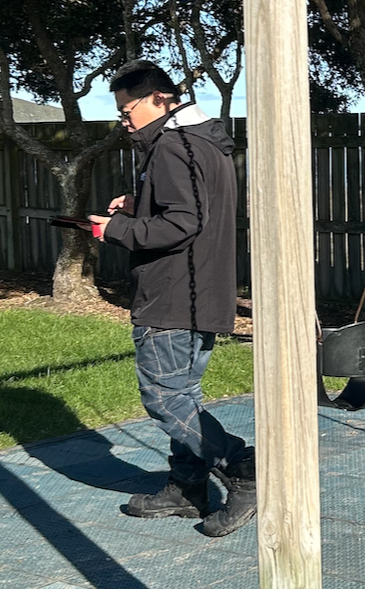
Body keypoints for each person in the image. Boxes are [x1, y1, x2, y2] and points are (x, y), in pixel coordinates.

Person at [89, 60, 255, 537]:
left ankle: (244, 470)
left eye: (127, 110)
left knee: (164, 398)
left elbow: (182, 223)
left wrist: (116, 229)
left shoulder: (171, 146)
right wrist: (138, 205)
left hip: (172, 293)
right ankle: (187, 487)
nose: (123, 121)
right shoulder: (204, 141)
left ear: (159, 99)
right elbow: (195, 210)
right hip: (204, 291)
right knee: (183, 395)